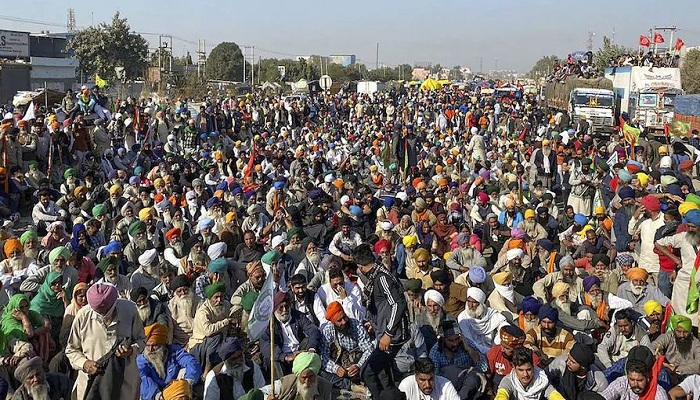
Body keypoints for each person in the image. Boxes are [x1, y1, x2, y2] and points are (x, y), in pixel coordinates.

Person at [65, 282, 146, 400]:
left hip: (124, 383)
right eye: (99, 311)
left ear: (114, 304)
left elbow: (142, 341)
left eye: (105, 310)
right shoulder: (83, 316)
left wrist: (131, 351)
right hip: (92, 383)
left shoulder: (129, 310)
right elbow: (71, 349)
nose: (103, 314)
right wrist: (85, 363)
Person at [260, 291, 321, 376]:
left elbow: (313, 330)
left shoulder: (298, 315)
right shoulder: (269, 323)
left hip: (299, 352)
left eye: (286, 306)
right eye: (281, 308)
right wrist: (284, 357)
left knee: (308, 341)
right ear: (274, 309)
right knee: (272, 358)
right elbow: (266, 345)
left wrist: (311, 349)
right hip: (282, 356)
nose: (284, 310)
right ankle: (283, 385)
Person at [137, 323, 202, 400]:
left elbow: (191, 362)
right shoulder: (142, 360)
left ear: (163, 344)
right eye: (148, 346)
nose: (151, 349)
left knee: (184, 372)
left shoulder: (174, 351)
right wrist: (159, 396)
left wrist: (188, 382)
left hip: (176, 390)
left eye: (155, 345)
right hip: (155, 396)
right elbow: (143, 379)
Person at [318, 302, 373, 391]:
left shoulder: (356, 325)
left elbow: (369, 349)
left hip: (357, 363)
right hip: (339, 366)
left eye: (344, 317)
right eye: (339, 321)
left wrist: (358, 365)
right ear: (333, 323)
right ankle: (351, 386)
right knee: (322, 374)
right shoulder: (327, 331)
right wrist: (336, 369)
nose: (344, 322)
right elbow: (323, 357)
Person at [600, 345, 668, 400]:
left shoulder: (658, 393)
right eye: (632, 379)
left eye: (640, 380)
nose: (635, 384)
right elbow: (605, 395)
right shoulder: (622, 383)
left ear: (648, 377)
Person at [494, 347, 564, 400]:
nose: (525, 374)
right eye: (521, 370)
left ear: (533, 367)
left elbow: (554, 395)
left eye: (529, 369)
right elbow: (501, 395)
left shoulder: (542, 380)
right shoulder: (508, 381)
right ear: (514, 368)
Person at [262, 352, 334, 400]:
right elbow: (260, 392)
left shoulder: (325, 387)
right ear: (298, 375)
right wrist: (267, 398)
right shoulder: (286, 383)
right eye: (304, 377)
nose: (307, 381)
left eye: (311, 376)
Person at [457, 287, 508, 354]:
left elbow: (504, 324)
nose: (470, 305)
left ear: (480, 304)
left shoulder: (489, 313)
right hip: (475, 351)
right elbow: (470, 342)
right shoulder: (463, 318)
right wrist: (491, 352)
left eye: (474, 302)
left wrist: (497, 345)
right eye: (468, 301)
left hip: (494, 349)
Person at [652, 315, 700, 381]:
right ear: (674, 330)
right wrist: (659, 358)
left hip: (686, 375)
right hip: (668, 373)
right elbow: (654, 346)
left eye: (685, 332)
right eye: (679, 332)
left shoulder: (695, 343)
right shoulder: (669, 336)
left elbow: (698, 364)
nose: (682, 335)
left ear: (690, 331)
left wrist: (676, 369)